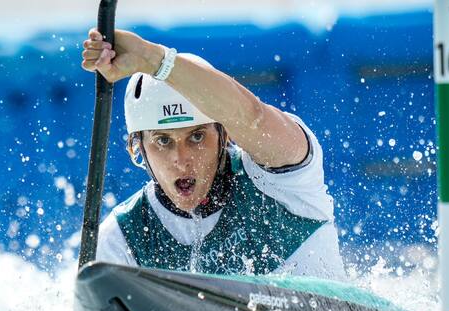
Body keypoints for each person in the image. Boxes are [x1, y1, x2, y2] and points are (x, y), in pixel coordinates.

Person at [81, 28, 345, 280]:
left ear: (225, 134)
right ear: (136, 148)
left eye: (197, 136)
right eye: (163, 141)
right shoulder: (121, 240)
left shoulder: (281, 179)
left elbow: (253, 119)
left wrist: (154, 59)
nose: (181, 159)